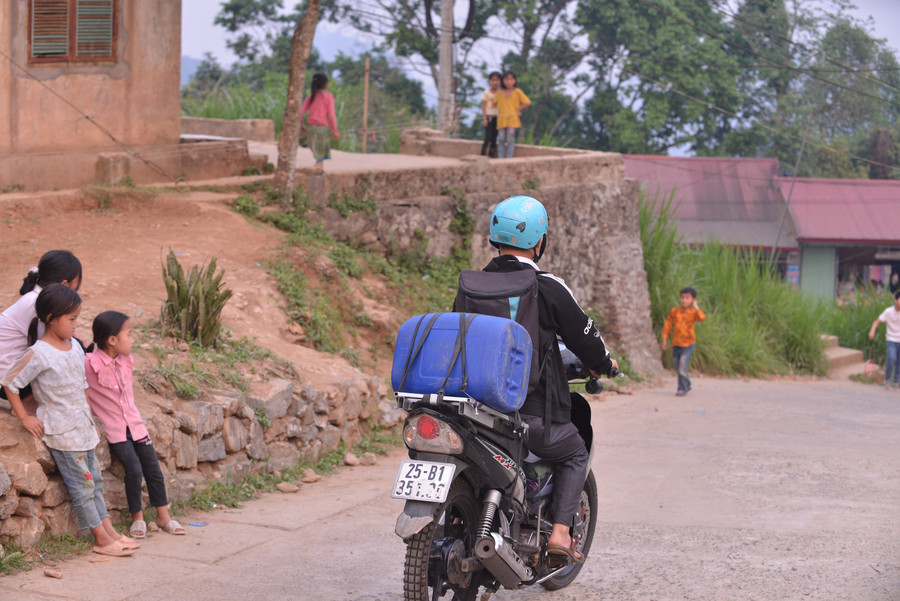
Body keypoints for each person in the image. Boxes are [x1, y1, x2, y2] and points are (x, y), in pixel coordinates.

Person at [461, 196, 616, 564]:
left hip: (473, 413)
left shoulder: (471, 284)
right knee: (576, 452)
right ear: (539, 242)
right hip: (527, 418)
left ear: (494, 238)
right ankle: (561, 534)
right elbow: (586, 337)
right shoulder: (547, 286)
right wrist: (604, 364)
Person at [1, 285, 140, 557]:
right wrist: (25, 417)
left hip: (82, 428)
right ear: (51, 318)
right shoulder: (38, 353)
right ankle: (100, 538)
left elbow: (82, 385)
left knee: (95, 481)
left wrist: (89, 413)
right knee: (83, 485)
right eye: (72, 319)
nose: (77, 325)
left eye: (77, 318)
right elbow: (10, 382)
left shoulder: (74, 346)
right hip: (62, 431)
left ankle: (110, 531)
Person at [85, 311, 184, 538]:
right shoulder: (90, 364)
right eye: (128, 335)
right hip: (115, 430)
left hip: (136, 426)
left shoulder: (126, 360)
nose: (133, 340)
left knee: (153, 469)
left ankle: (163, 516)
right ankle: (137, 518)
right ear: (111, 340)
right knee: (134, 469)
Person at [0, 250, 83, 416]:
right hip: (6, 385)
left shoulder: (37, 297)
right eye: (77, 282)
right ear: (65, 285)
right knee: (72, 351)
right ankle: (26, 405)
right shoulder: (37, 304)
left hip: (7, 378)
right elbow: (51, 348)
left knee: (73, 346)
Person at [661, 287, 706, 396]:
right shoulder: (675, 311)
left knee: (682, 366)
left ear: (692, 300)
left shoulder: (693, 313)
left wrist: (696, 306)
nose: (684, 300)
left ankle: (681, 388)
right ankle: (687, 383)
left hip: (688, 344)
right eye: (682, 297)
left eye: (687, 298)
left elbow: (702, 317)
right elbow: (667, 325)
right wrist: (664, 339)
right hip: (676, 344)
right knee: (677, 366)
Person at [299, 72, 340, 169]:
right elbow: (331, 115)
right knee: (321, 155)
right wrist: (335, 131)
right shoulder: (329, 97)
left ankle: (318, 165)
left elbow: (301, 112)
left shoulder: (310, 97)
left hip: (311, 129)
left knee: (317, 152)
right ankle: (318, 167)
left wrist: (301, 125)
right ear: (325, 84)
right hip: (322, 129)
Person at [868, 289, 900, 389]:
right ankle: (887, 380)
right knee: (892, 358)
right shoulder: (888, 311)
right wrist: (872, 331)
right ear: (895, 300)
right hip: (891, 339)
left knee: (899, 361)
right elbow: (876, 322)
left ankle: (896, 382)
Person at [495, 70, 531, 159]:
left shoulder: (517, 91)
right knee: (501, 139)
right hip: (501, 119)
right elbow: (493, 103)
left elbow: (527, 102)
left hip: (512, 119)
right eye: (506, 79)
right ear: (503, 80)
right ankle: (500, 158)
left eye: (511, 79)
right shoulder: (499, 92)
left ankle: (509, 158)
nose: (508, 81)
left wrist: (518, 109)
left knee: (510, 139)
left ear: (514, 81)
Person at [480, 71, 501, 157]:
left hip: (498, 117)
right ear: (490, 81)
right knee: (488, 137)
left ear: (500, 81)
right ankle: (482, 154)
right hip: (489, 117)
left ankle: (491, 155)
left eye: (497, 80)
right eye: (493, 80)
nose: (495, 82)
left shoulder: (501, 93)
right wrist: (484, 119)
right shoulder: (487, 93)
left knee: (494, 138)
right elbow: (484, 106)